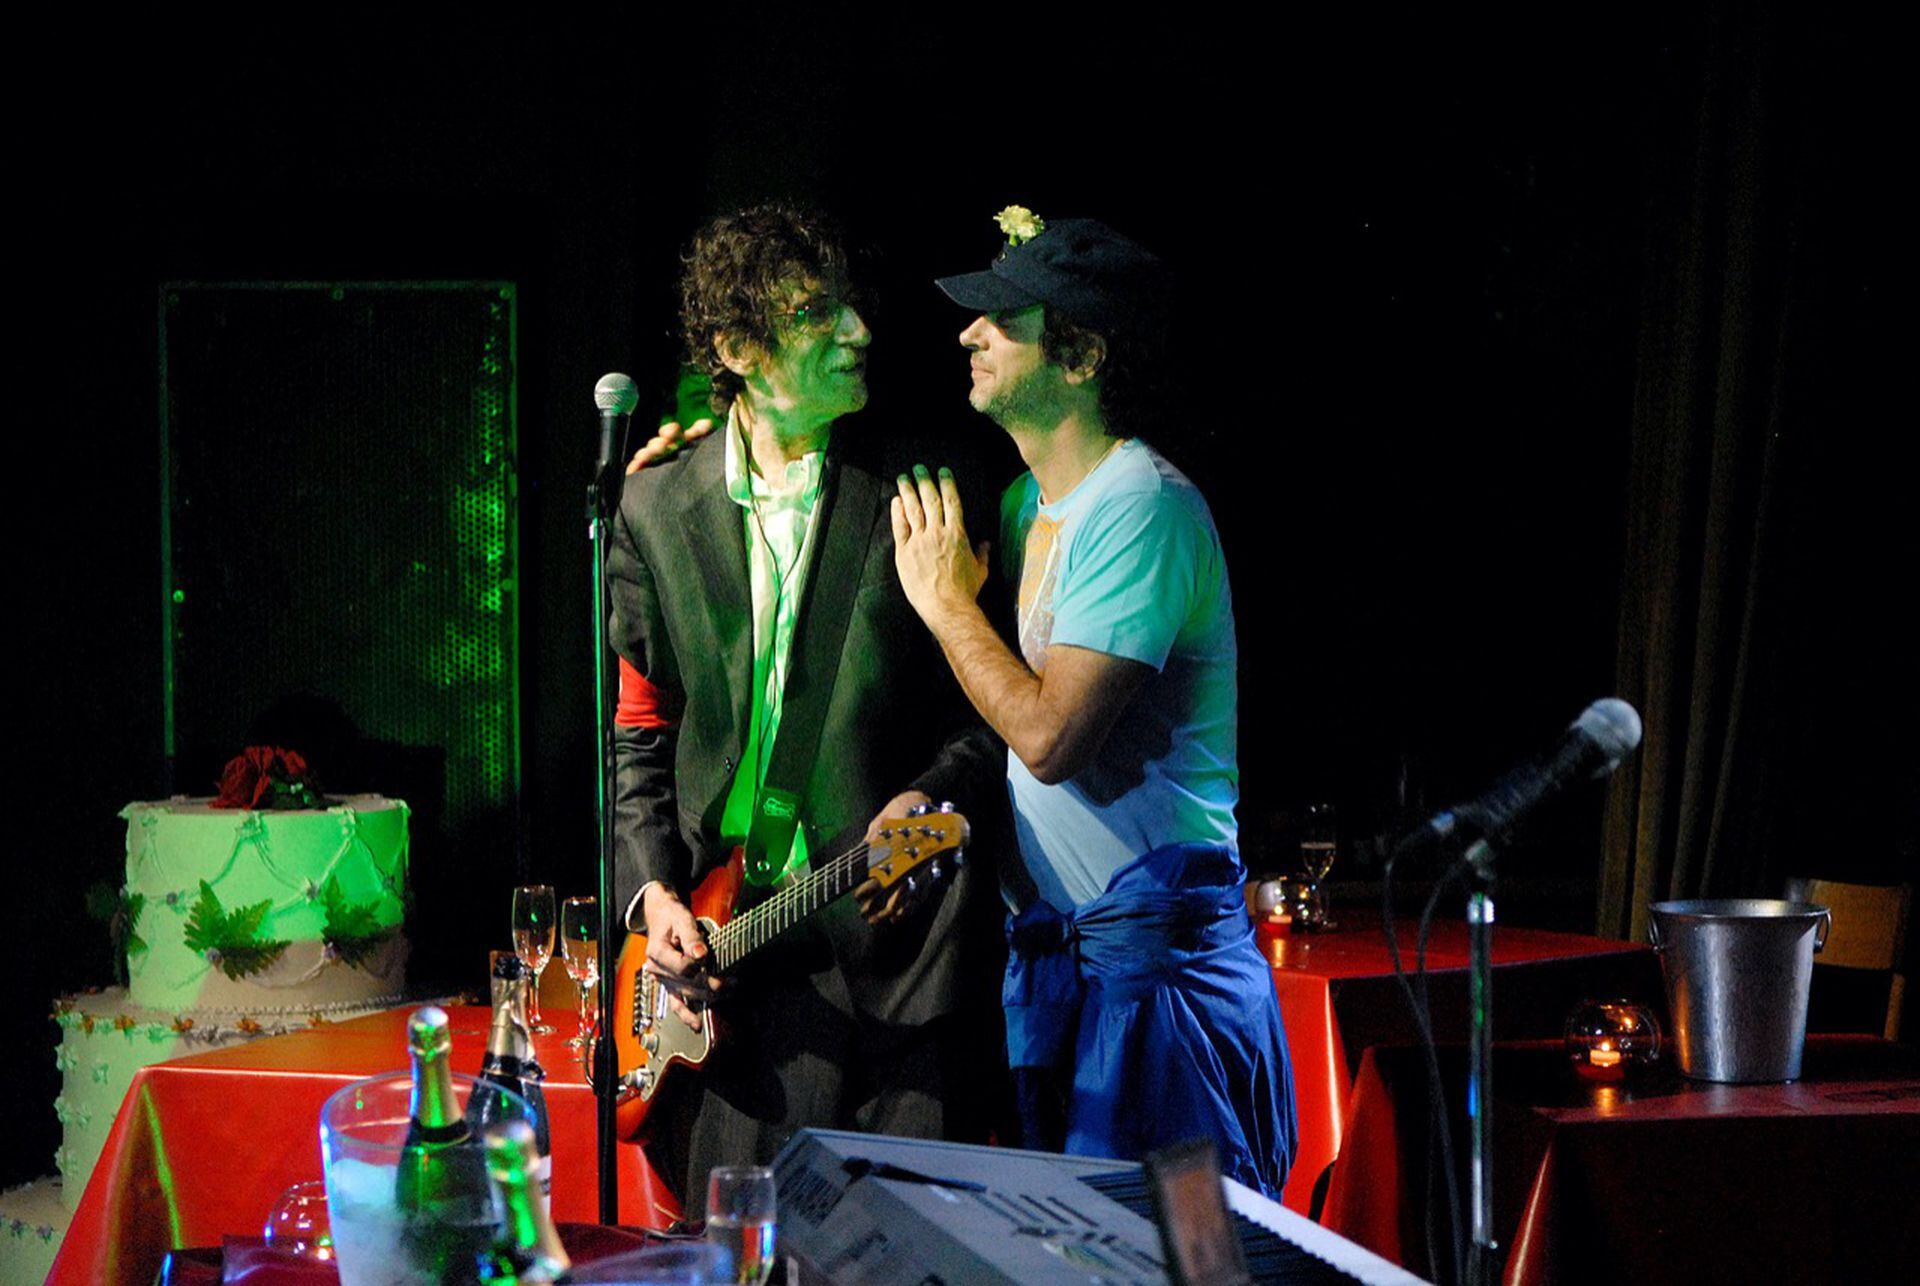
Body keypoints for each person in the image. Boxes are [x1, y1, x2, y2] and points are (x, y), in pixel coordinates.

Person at [887, 209, 1297, 1198]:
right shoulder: (1031, 505)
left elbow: (1050, 733)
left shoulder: (1143, 507)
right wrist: (934, 794)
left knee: (1192, 1259)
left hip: (1162, 991)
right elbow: (1010, 730)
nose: (968, 334)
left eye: (1001, 320)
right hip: (1070, 977)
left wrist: (947, 605)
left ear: (1077, 354)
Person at [608, 204, 1002, 1217]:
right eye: (815, 315)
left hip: (895, 963)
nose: (857, 333)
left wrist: (931, 792)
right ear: (737, 348)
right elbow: (639, 735)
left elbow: (985, 710)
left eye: (850, 307)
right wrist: (653, 898)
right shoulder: (652, 508)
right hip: (733, 965)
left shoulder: (916, 485)